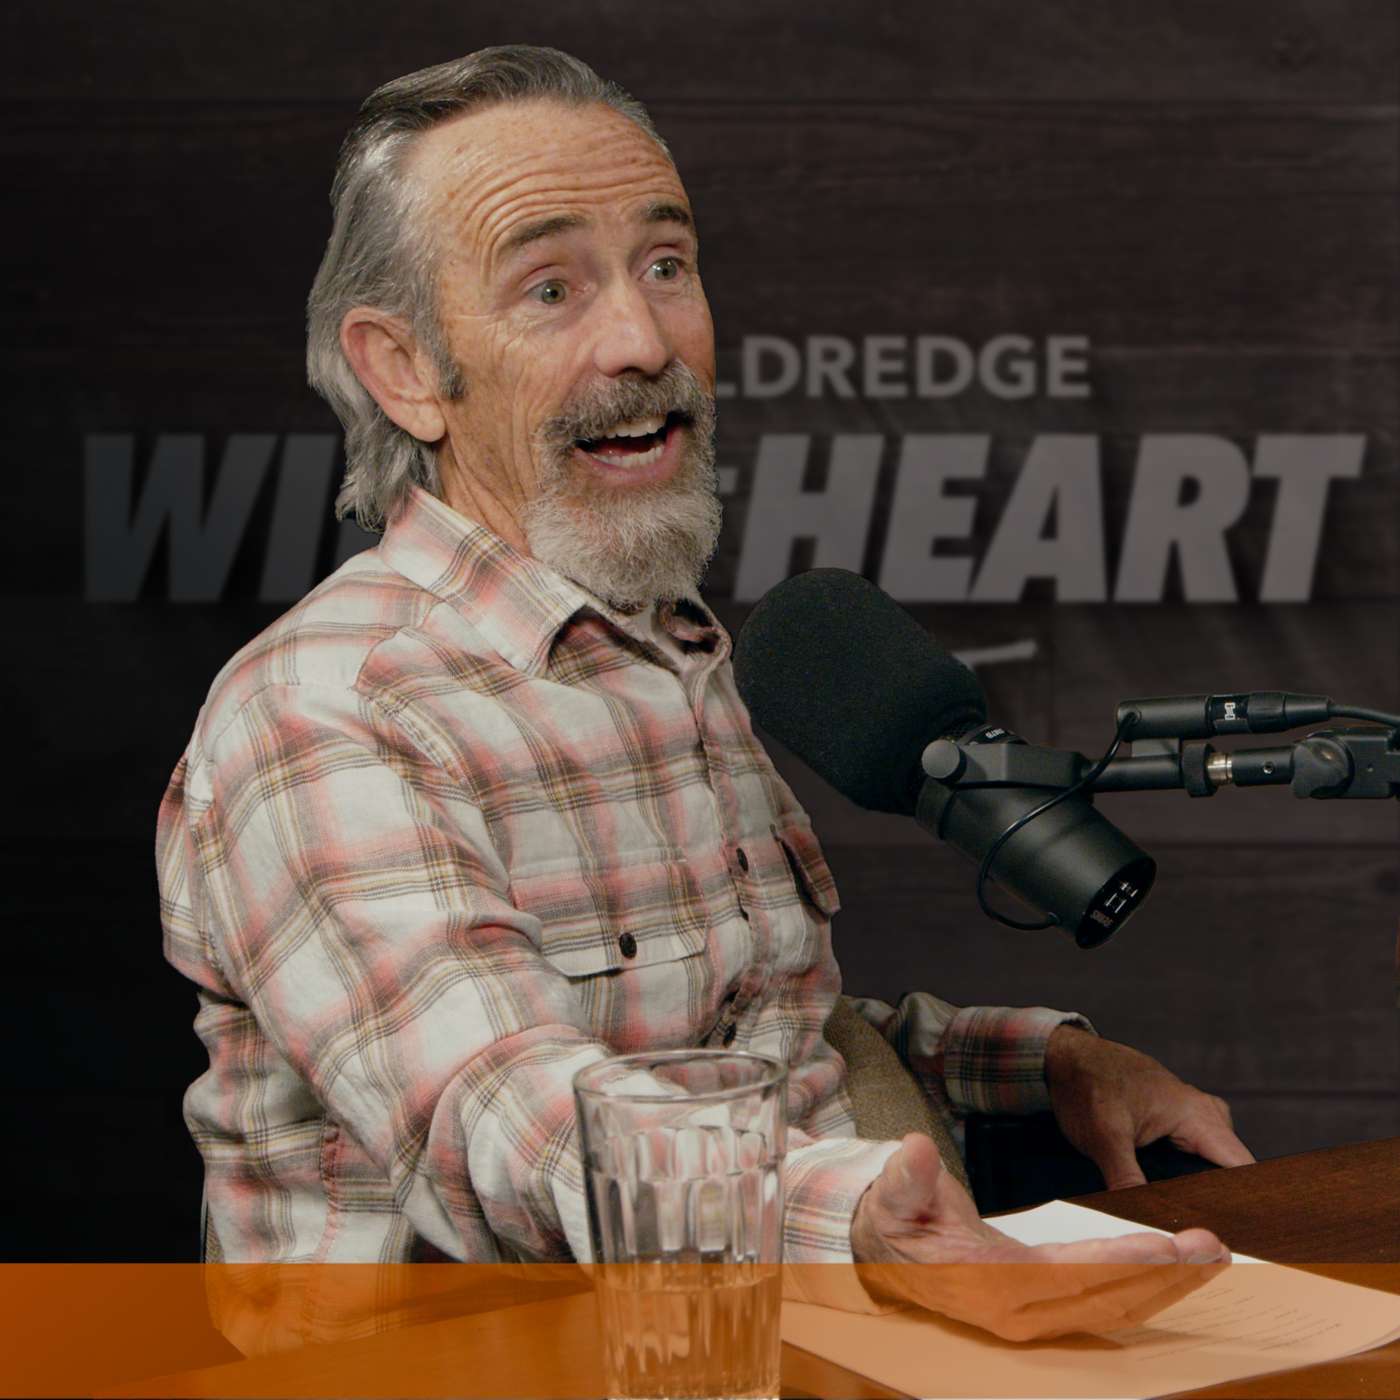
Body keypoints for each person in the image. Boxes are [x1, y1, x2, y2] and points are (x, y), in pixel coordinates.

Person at [156, 44, 1253, 1350]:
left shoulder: (668, 647)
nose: (645, 341)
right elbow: (504, 1120)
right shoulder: (329, 711)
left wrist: (1043, 1064)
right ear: (404, 370)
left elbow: (745, 1040)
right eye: (551, 288)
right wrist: (856, 1222)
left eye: (667, 265)